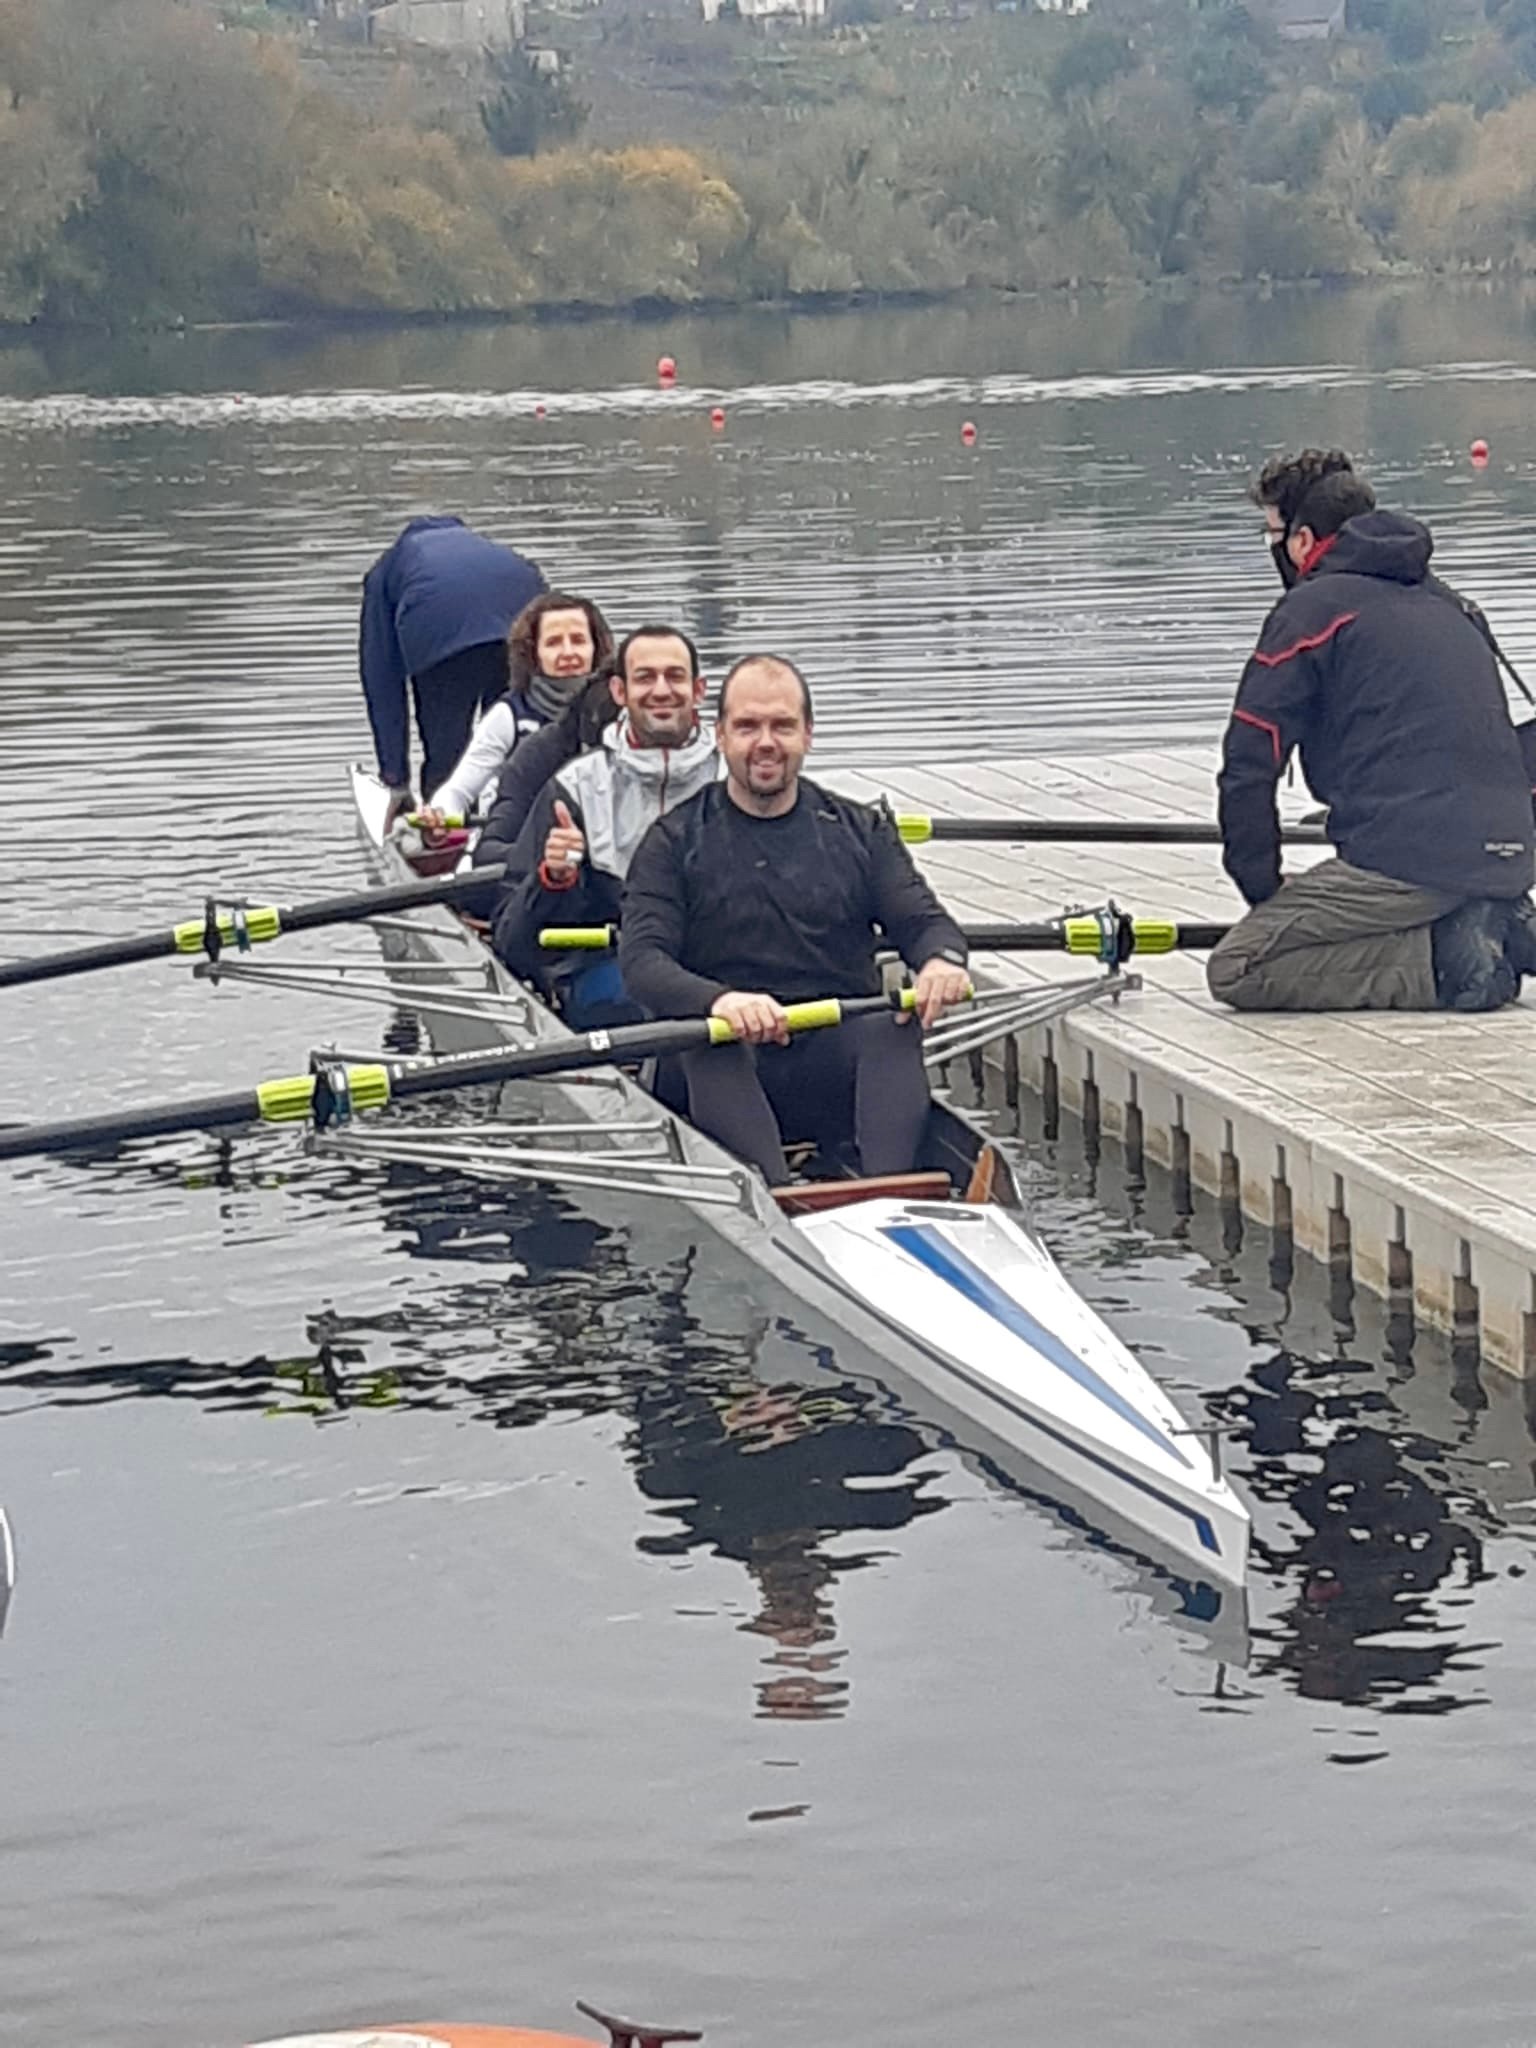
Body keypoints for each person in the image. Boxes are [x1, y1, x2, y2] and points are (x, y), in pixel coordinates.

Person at [619, 654, 971, 1185]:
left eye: (782, 726)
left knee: (893, 1023)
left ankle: (892, 1195)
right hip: (721, 1065)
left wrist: (941, 962)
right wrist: (721, 1001)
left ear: (807, 734)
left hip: (832, 1054)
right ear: (720, 736)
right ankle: (778, 1199)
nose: (765, 742)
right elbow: (642, 961)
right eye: (747, 726)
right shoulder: (673, 841)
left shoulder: (862, 831)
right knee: (709, 1041)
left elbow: (923, 922)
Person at [1208, 469, 1536, 1013]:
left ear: (1304, 541)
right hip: (1511, 851)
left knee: (1239, 967)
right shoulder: (1452, 603)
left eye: (1273, 537)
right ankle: (1493, 918)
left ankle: (1449, 959)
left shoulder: (1310, 612)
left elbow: (1248, 761)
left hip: (1409, 859)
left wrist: (1262, 889)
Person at [490, 625, 721, 1028]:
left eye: (675, 676)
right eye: (645, 678)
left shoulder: (735, 777)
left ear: (698, 691)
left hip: (722, 972)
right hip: (612, 976)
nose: (662, 690)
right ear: (619, 692)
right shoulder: (575, 787)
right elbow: (512, 942)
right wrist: (553, 880)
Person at [359, 515, 545, 803]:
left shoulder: (387, 568)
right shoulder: (495, 551)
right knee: (516, 736)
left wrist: (395, 778)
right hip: (526, 620)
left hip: (440, 634)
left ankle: (443, 827)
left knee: (448, 754)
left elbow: (382, 680)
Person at [417, 591, 614, 824]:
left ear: (596, 648)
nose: (568, 653)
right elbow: (458, 792)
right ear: (534, 654)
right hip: (513, 839)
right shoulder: (508, 716)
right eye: (553, 642)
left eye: (578, 640)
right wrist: (440, 815)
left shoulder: (622, 711)